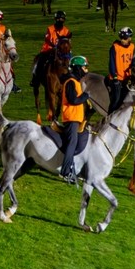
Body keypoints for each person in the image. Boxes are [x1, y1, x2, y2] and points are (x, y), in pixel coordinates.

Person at [59, 55, 91, 184]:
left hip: (75, 118)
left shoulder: (75, 82)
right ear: (77, 68)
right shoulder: (71, 82)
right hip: (71, 118)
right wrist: (85, 96)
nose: (86, 70)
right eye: (84, 67)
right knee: (71, 144)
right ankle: (65, 172)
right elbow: (73, 100)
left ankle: (74, 170)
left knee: (76, 144)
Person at [107, 27, 135, 113]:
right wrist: (114, 77)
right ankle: (110, 115)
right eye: (121, 38)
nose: (123, 40)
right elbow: (111, 63)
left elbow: (133, 59)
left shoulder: (132, 47)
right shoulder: (115, 47)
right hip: (117, 78)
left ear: (130, 38)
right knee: (116, 99)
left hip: (127, 78)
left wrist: (134, 66)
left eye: (125, 38)